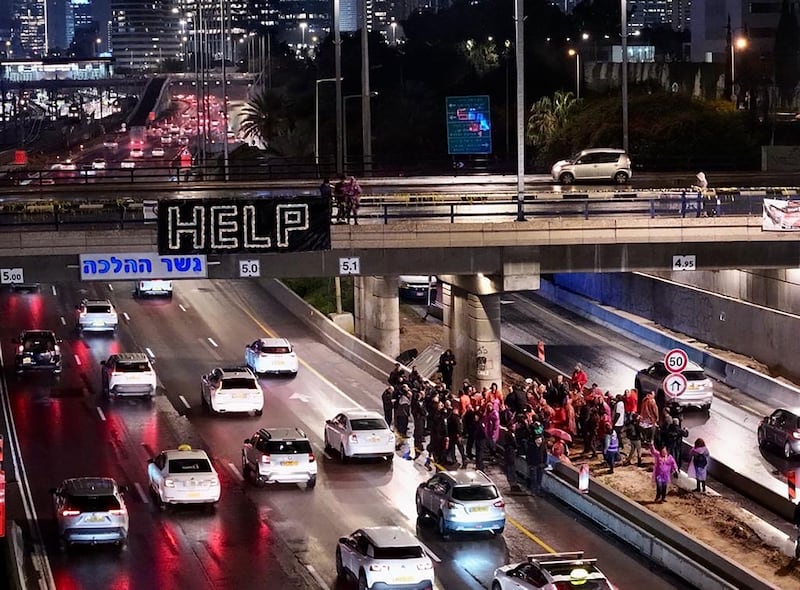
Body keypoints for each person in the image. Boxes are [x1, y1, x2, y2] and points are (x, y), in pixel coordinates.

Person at [502, 426, 521, 492]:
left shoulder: (506, 433)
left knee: (509, 466)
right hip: (510, 452)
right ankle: (512, 480)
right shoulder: (510, 434)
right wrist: (516, 447)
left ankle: (510, 478)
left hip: (507, 451)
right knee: (511, 466)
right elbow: (514, 442)